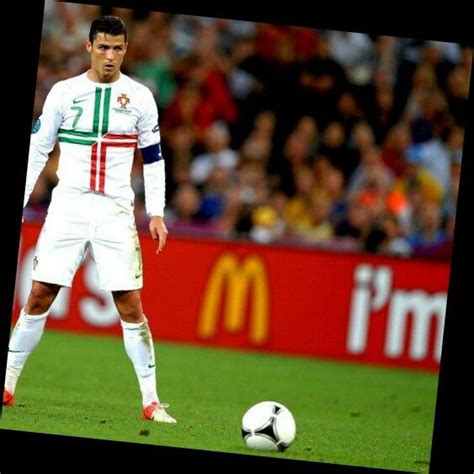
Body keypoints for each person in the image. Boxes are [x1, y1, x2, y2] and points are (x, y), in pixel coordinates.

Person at [3, 15, 176, 424]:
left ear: (126, 50)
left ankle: (151, 402)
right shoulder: (64, 93)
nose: (110, 56)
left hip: (115, 210)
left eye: (117, 48)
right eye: (103, 47)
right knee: (39, 295)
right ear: (88, 47)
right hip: (69, 205)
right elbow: (38, 149)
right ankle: (8, 385)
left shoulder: (140, 98)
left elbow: (153, 159)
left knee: (129, 304)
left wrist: (156, 212)